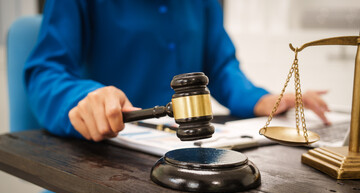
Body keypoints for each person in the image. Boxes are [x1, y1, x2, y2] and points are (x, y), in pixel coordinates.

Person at [25, 0, 330, 143]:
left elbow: (220, 66)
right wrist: (84, 98)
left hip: (191, 148)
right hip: (113, 153)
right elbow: (46, 72)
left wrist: (262, 99)